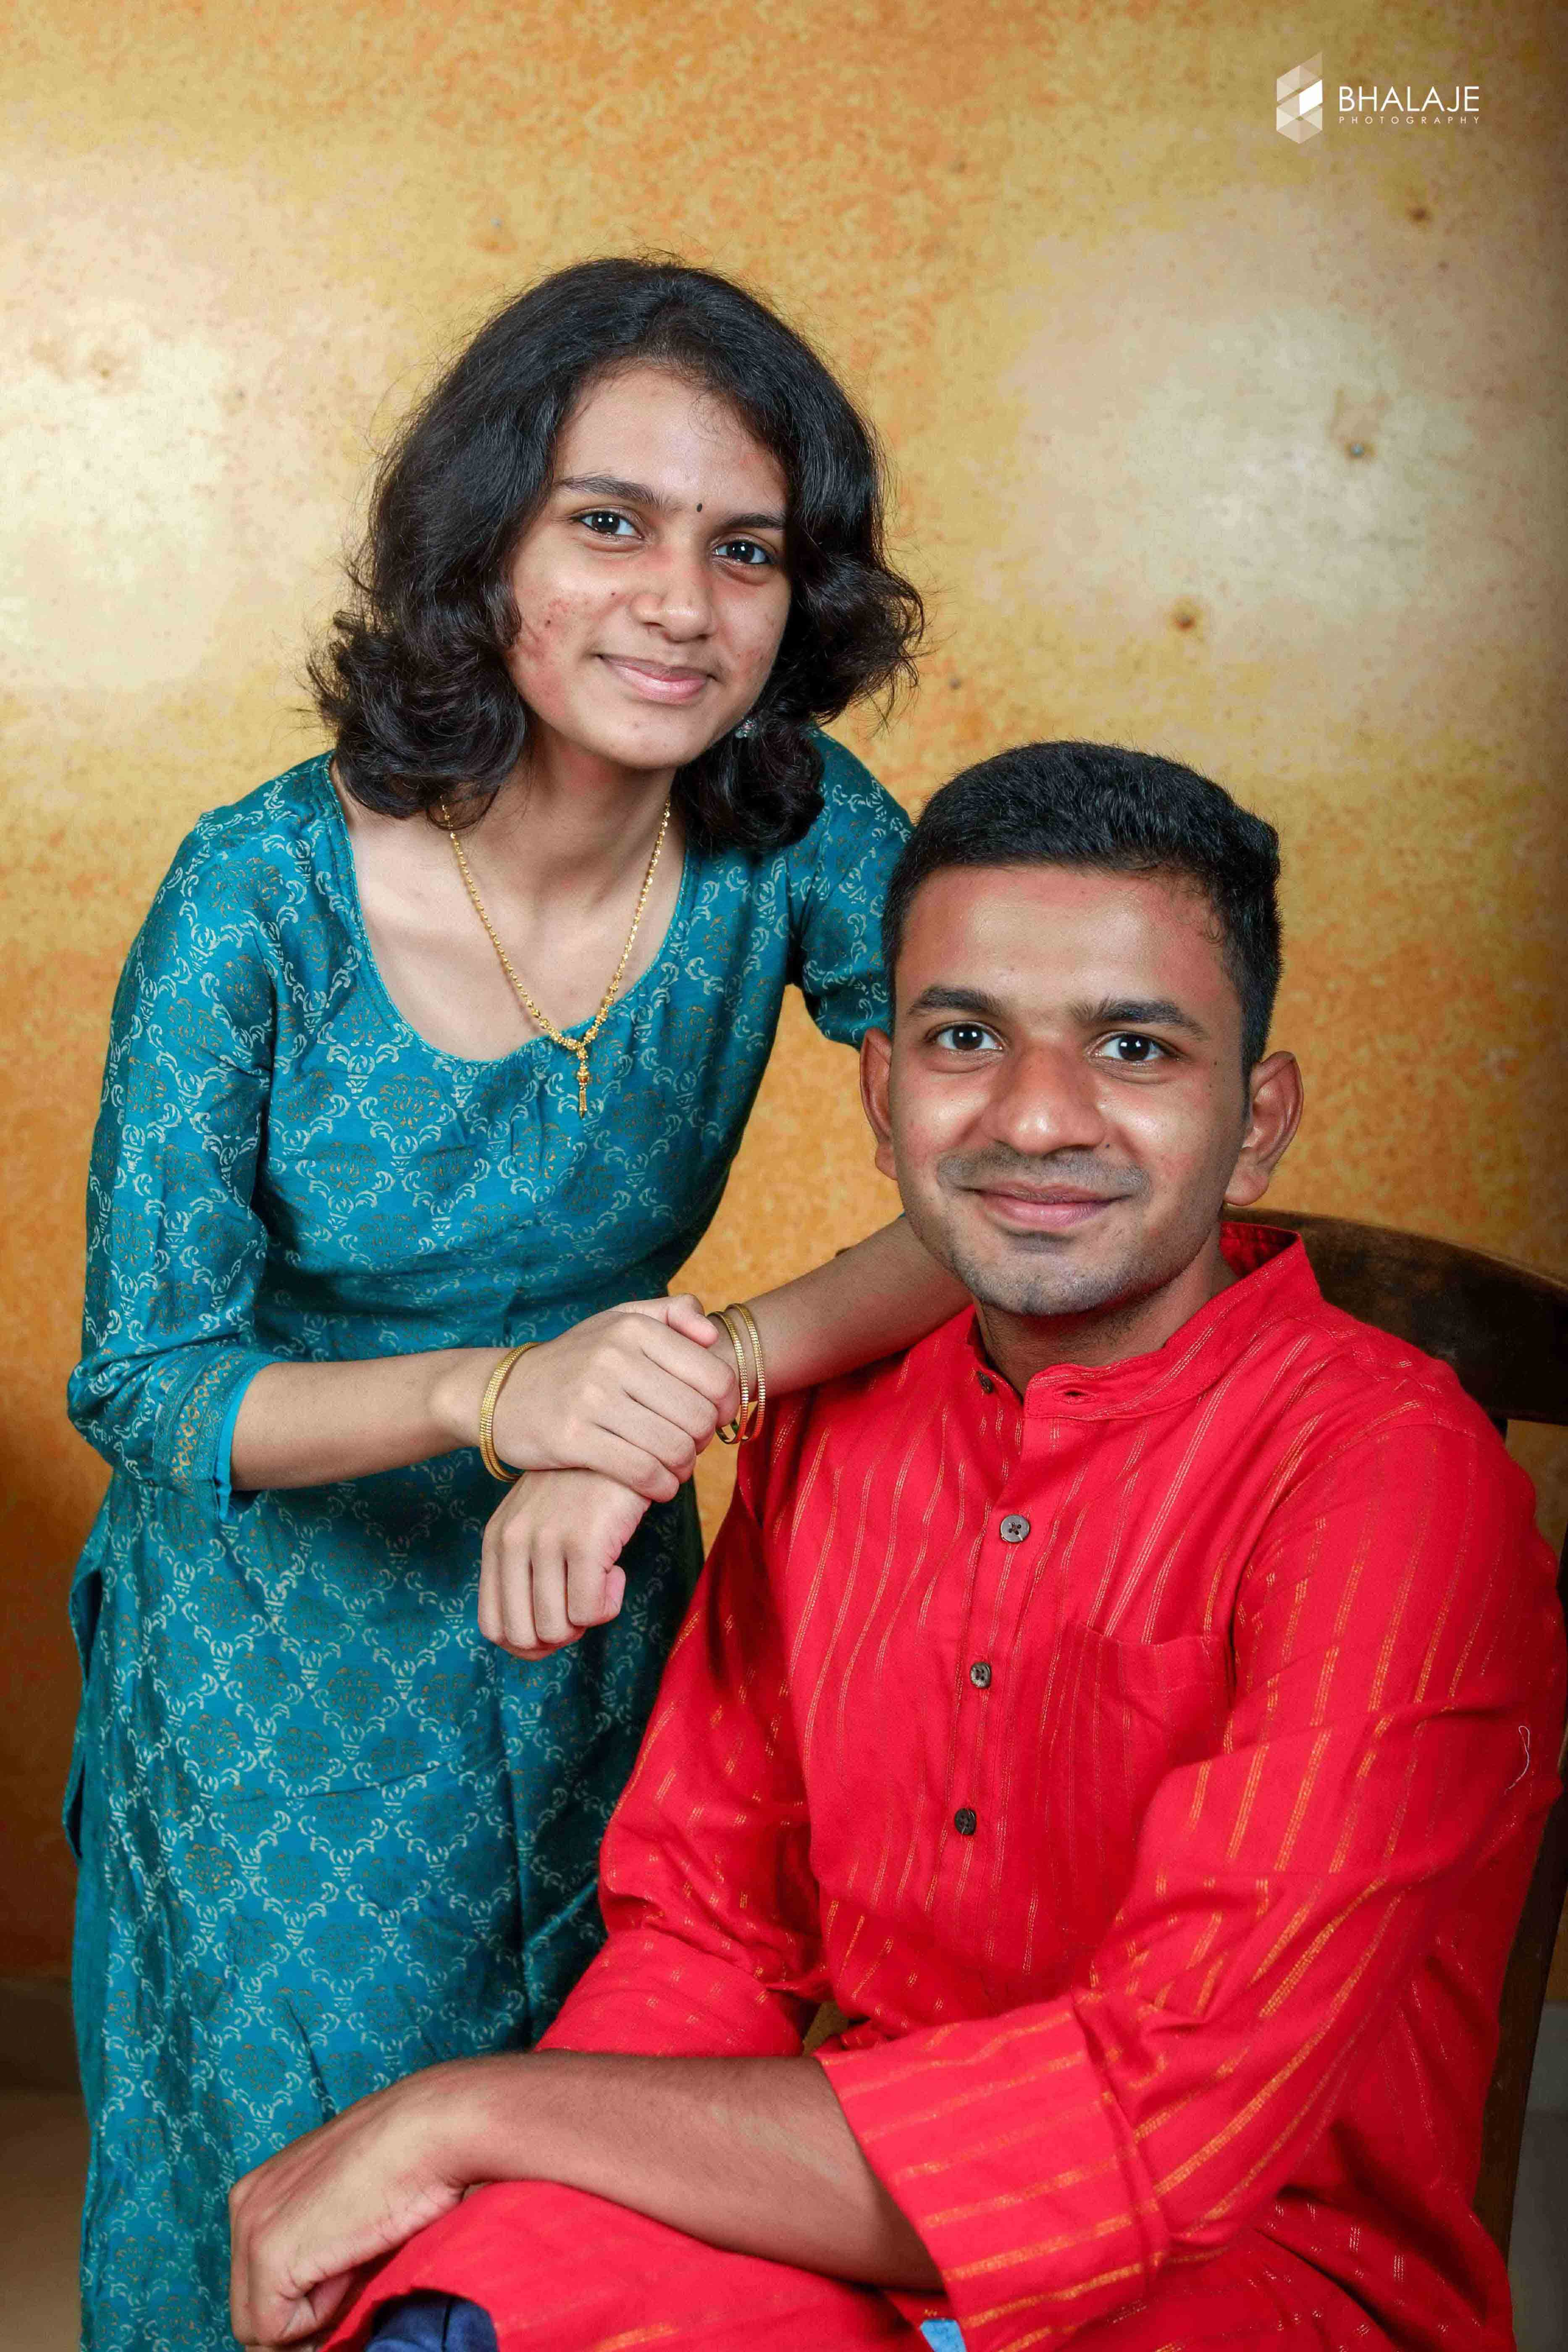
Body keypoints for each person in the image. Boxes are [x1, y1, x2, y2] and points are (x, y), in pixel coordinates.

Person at [228, 741, 1565, 2352]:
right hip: (826, 2213)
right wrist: (518, 2194)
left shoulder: (1394, 1481)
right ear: (883, 1098)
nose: (1038, 1117)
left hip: (1251, 2270)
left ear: (1257, 1121)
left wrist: (464, 2114)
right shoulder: (832, 1426)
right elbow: (711, 1934)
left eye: (1135, 1047)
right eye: (965, 1038)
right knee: (455, 2307)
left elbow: (1165, 2123)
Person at [65, 257, 971, 2351]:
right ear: (482, 549)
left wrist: (684, 1383)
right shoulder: (256, 892)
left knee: (593, 2180)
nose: (682, 604)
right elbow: (146, 1381)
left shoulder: (799, 833)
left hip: (599, 1606)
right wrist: (502, 1395)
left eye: (746, 548)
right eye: (610, 522)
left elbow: (1001, 1172)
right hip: (278, 1665)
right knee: (299, 2198)